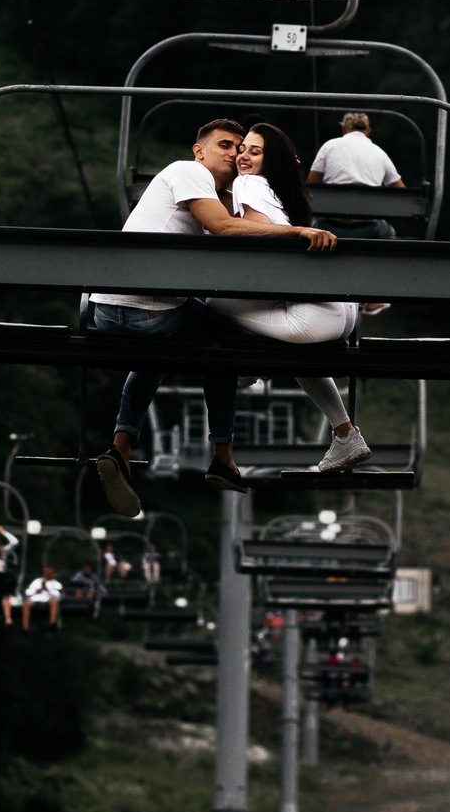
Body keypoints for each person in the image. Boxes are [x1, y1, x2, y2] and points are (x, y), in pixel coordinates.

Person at [92, 118, 337, 513]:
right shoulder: (187, 172)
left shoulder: (210, 195)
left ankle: (121, 446)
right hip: (144, 311)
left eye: (241, 148)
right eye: (225, 144)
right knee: (219, 338)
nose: (234, 153)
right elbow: (225, 228)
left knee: (163, 349)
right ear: (198, 150)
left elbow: (236, 228)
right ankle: (223, 453)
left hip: (111, 311)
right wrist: (296, 233)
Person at [210, 124, 376, 474]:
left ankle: (246, 369)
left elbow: (258, 238)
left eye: (254, 152)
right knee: (297, 355)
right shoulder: (283, 193)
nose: (243, 157)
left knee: (212, 305)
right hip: (340, 314)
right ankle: (346, 434)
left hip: (313, 318)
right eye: (243, 150)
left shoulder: (248, 183)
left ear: (272, 162)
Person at [306, 110, 406, 241]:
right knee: (389, 231)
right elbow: (401, 191)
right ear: (368, 131)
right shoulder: (380, 153)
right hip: (370, 228)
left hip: (330, 228)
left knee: (311, 226)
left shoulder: (329, 146)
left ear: (344, 129)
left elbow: (312, 184)